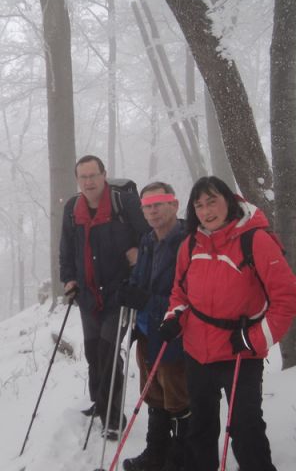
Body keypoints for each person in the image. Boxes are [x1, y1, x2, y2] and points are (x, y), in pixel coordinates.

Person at [159, 176, 296, 471]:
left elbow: (288, 298)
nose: (205, 210)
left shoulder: (256, 239)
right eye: (198, 205)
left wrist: (254, 338)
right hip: (197, 350)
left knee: (245, 429)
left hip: (240, 351)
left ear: (229, 201)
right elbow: (179, 292)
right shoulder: (190, 244)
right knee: (200, 426)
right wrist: (174, 317)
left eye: (212, 201)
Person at [59, 155, 150, 440]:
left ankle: (113, 419)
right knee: (92, 353)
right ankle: (99, 401)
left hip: (119, 293)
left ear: (104, 175)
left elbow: (148, 236)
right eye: (82, 177)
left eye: (93, 176)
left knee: (108, 354)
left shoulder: (125, 204)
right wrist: (69, 278)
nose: (88, 182)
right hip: (87, 294)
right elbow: (66, 246)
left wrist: (138, 254)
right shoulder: (73, 208)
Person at [117, 182, 190, 471]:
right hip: (147, 332)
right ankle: (156, 454)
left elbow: (187, 300)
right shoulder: (148, 240)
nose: (152, 210)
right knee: (154, 396)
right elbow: (142, 281)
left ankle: (180, 459)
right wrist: (130, 289)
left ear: (174, 204)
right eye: (147, 206)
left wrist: (146, 300)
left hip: (175, 335)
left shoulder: (188, 242)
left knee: (179, 400)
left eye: (159, 203)